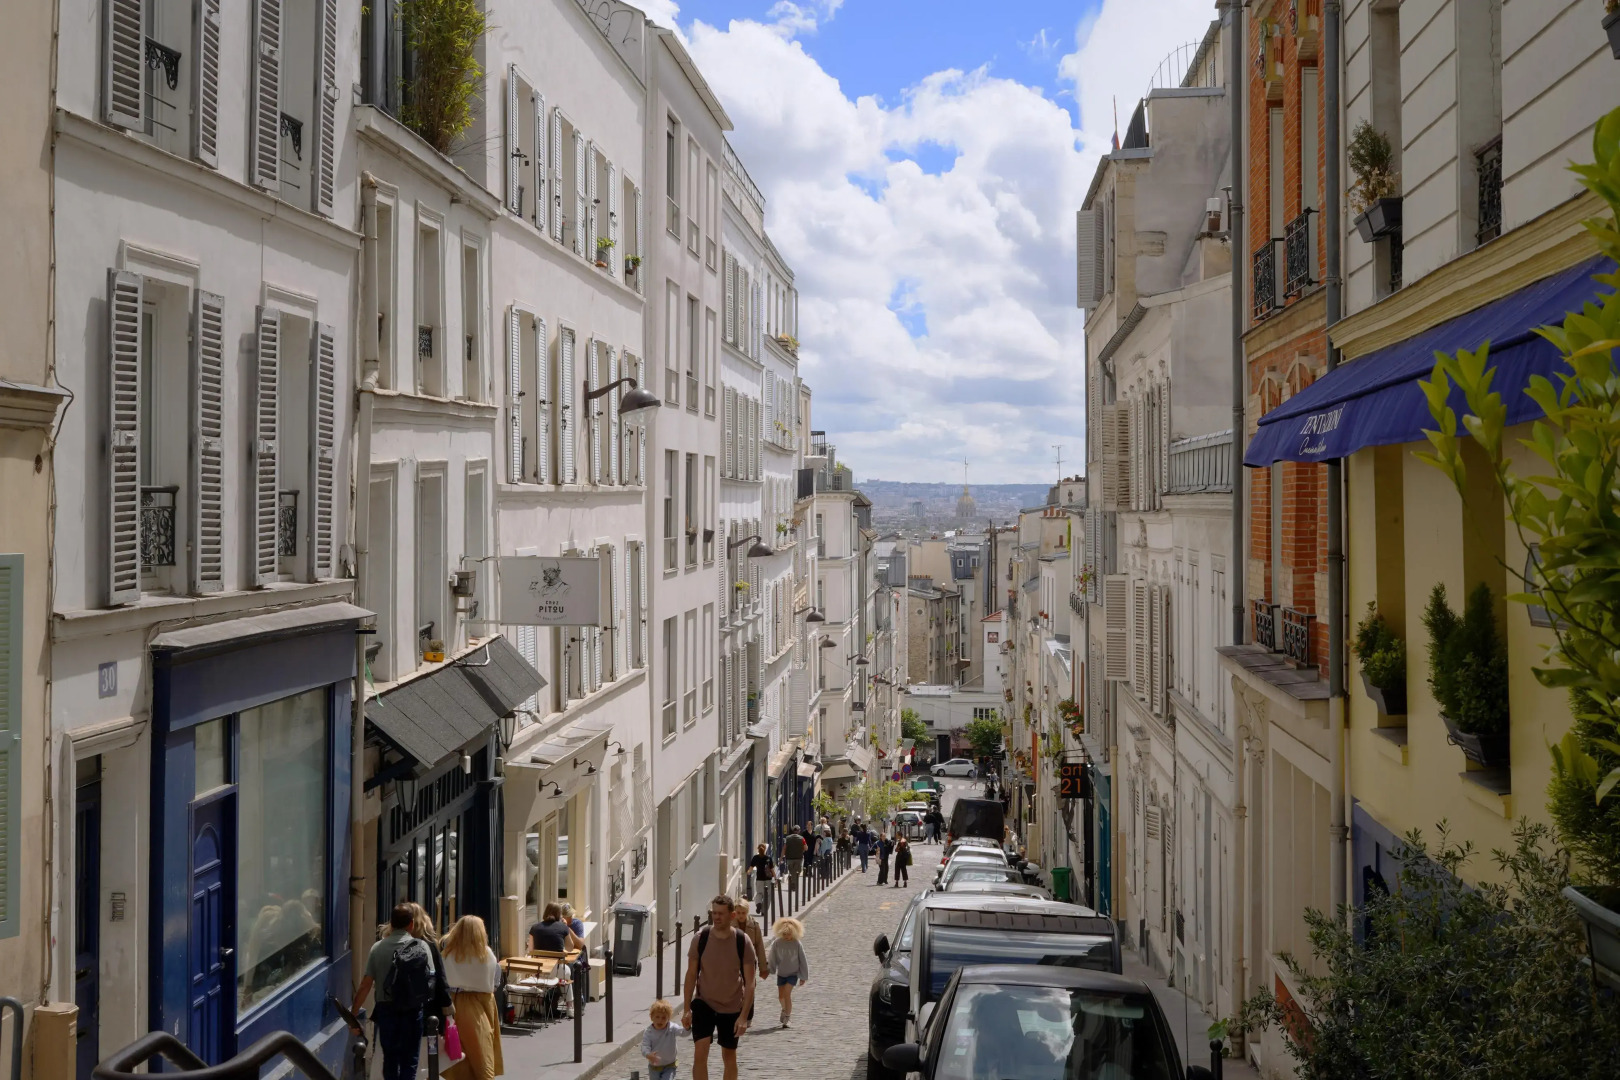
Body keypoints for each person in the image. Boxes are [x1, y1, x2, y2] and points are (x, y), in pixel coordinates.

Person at [350, 904, 438, 1080]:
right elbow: (431, 980)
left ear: (391, 923)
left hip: (386, 1010)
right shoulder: (421, 947)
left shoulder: (378, 948)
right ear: (411, 924)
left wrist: (353, 1014)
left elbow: (365, 985)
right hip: (413, 1011)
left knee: (390, 1059)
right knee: (410, 1060)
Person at [682, 895, 757, 1080]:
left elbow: (750, 983)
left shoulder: (742, 940)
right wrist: (686, 1009)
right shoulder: (701, 938)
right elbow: (691, 974)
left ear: (732, 916)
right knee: (700, 1052)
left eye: (721, 914)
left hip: (732, 1005)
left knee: (728, 1055)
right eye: (714, 913)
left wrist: (743, 1017)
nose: (716, 917)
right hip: (704, 1003)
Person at [439, 915, 504, 1080]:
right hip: (479, 1004)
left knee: (453, 1054)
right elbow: (495, 983)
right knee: (482, 1055)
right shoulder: (487, 955)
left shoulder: (447, 954)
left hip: (451, 1001)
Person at [527, 903, 586, 1016]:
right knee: (565, 975)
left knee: (543, 978)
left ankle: (540, 1005)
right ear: (559, 915)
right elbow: (570, 948)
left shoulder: (534, 928)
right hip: (557, 970)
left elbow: (531, 949)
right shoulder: (563, 928)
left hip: (540, 970)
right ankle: (570, 1007)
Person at [729, 897, 770, 1027]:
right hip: (734, 961)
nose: (741, 916)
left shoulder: (754, 925)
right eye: (738, 913)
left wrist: (764, 967)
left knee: (749, 988)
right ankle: (736, 1014)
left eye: (743, 913)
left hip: (750, 961)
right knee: (735, 989)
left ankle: (748, 1015)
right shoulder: (730, 926)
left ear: (747, 912)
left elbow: (760, 946)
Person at [767, 918, 810, 1028]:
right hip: (781, 973)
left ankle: (787, 1016)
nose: (787, 937)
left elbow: (802, 960)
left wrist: (803, 976)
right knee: (781, 997)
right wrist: (770, 969)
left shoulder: (797, 944)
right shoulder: (777, 943)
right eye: (785, 934)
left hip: (793, 974)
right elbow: (773, 957)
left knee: (787, 993)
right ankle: (784, 1009)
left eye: (789, 934)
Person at [642, 999, 685, 1080]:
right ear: (652, 1017)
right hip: (654, 1067)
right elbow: (645, 1046)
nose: (660, 1020)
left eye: (663, 1018)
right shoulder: (649, 1032)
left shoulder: (672, 1028)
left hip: (670, 1065)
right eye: (657, 1017)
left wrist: (687, 1027)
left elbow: (683, 1032)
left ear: (668, 1018)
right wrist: (648, 1054)